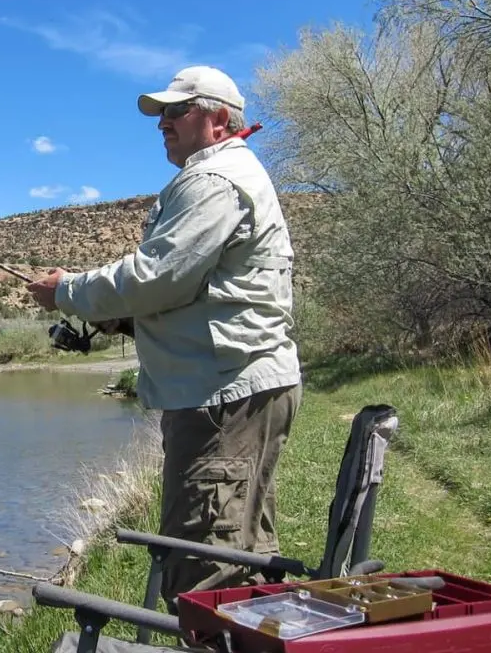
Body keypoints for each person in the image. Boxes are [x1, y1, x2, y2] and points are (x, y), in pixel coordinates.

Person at [26, 65, 302, 608]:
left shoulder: (213, 180)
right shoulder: (228, 173)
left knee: (205, 567)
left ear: (219, 119)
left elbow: (157, 276)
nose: (163, 124)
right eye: (161, 114)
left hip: (223, 396)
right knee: (244, 552)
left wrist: (68, 291)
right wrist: (127, 318)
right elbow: (198, 289)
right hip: (237, 388)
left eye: (178, 111)